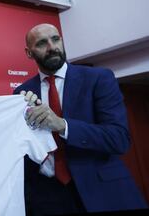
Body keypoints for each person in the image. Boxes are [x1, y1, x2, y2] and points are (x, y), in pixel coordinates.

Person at [15, 23, 148, 215]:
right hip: (47, 196)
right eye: (42, 43)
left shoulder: (98, 78)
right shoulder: (21, 92)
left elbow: (119, 138)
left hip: (103, 192)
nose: (52, 47)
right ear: (29, 53)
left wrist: (62, 125)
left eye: (55, 39)